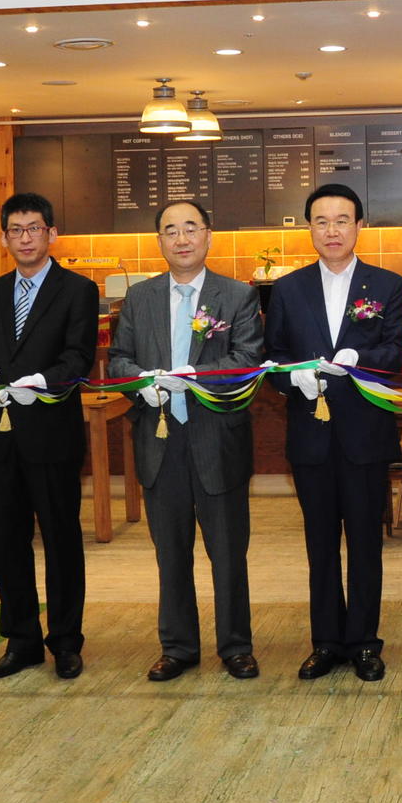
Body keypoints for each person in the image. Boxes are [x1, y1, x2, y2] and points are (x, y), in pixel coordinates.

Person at [108, 199, 266, 682]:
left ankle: (236, 646)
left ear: (208, 235)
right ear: (159, 241)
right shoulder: (140, 298)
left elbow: (246, 360)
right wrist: (141, 380)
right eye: (170, 231)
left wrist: (195, 375)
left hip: (216, 440)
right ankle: (177, 647)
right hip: (159, 441)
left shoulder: (237, 295)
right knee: (170, 554)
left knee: (228, 553)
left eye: (190, 228)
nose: (181, 239)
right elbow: (118, 360)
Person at [262, 184, 402, 683]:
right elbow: (273, 357)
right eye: (321, 221)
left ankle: (365, 642)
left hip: (365, 435)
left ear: (359, 226)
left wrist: (359, 358)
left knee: (366, 543)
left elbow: (397, 354)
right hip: (311, 436)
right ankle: (325, 641)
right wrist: (292, 379)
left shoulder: (386, 285)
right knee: (320, 545)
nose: (332, 230)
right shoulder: (287, 289)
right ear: (309, 229)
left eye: (342, 220)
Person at [0, 192, 99, 682]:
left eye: (34, 229)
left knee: (61, 540)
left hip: (52, 433)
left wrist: (41, 383)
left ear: (51, 233)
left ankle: (65, 640)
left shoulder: (78, 290)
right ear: (4, 238)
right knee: (8, 542)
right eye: (16, 230)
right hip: (3, 437)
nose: (25, 238)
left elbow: (78, 357)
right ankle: (20, 640)